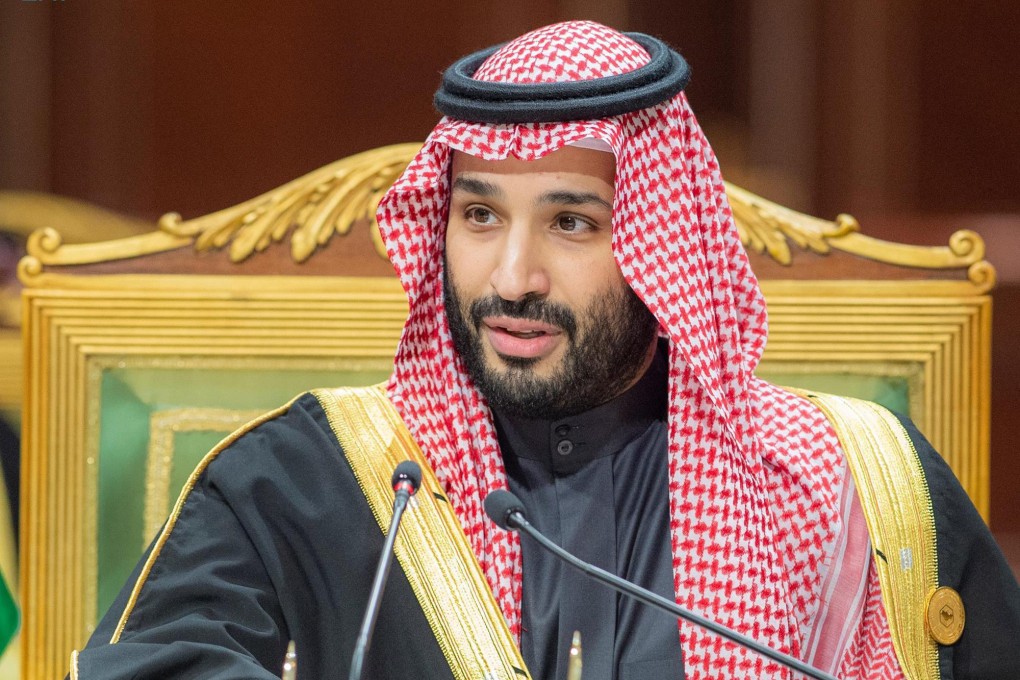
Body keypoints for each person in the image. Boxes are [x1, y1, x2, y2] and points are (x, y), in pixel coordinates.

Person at [70, 21, 1020, 680]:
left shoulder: (851, 484)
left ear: (663, 243)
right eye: (479, 214)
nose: (512, 275)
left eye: (571, 221)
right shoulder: (303, 482)